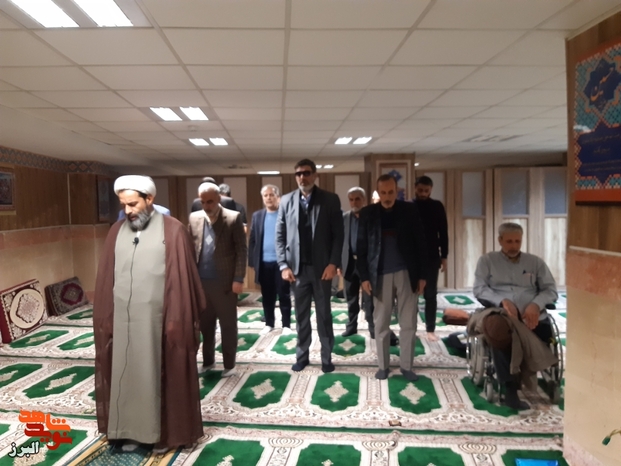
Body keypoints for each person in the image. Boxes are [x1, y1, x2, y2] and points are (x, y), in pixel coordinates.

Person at [93, 175, 204, 450]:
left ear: (150, 199)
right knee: (125, 375)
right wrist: (107, 317)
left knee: (158, 377)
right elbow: (107, 278)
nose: (128, 210)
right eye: (123, 205)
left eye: (133, 204)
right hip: (124, 321)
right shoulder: (116, 231)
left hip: (159, 321)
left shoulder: (173, 230)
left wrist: (176, 320)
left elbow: (183, 281)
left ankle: (162, 435)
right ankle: (127, 430)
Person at [473, 222, 558, 410]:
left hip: (532, 316)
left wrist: (536, 304)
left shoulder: (535, 262)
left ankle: (538, 372)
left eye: (517, 241)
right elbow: (479, 289)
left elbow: (550, 290)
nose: (514, 246)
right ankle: (510, 388)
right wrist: (502, 301)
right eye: (509, 241)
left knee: (543, 330)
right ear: (500, 240)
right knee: (499, 333)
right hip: (501, 314)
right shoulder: (487, 261)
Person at [276, 159, 344, 373]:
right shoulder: (286, 201)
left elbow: (338, 236)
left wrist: (333, 263)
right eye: (298, 174)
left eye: (306, 173)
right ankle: (302, 355)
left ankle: (326, 357)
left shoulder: (330, 200)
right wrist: (283, 265)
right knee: (301, 316)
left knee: (324, 315)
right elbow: (280, 236)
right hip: (297, 271)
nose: (302, 177)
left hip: (322, 270)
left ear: (315, 175)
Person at [357, 174, 427, 380]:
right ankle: (383, 366)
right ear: (378, 192)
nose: (387, 197)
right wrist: (364, 277)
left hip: (407, 273)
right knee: (381, 323)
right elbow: (361, 248)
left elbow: (421, 243)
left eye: (391, 192)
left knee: (408, 322)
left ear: (397, 191)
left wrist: (423, 275)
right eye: (383, 193)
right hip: (379, 275)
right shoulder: (368, 213)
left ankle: (407, 366)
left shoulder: (409, 210)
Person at [189, 182, 247, 378]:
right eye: (203, 202)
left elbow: (241, 250)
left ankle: (229, 365)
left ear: (219, 199)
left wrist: (238, 278)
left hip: (225, 284)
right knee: (205, 325)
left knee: (227, 325)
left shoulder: (233, 218)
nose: (207, 206)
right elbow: (191, 249)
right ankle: (208, 361)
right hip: (201, 283)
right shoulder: (194, 218)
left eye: (210, 202)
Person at [248, 184, 293, 336]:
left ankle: (286, 325)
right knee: (267, 295)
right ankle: (269, 323)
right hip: (263, 263)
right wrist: (252, 261)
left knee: (284, 294)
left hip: (282, 263)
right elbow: (253, 240)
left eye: (271, 195)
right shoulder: (257, 216)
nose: (268, 198)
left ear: (278, 197)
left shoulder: (285, 214)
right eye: (265, 195)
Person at [412, 176, 448, 342]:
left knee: (431, 294)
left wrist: (444, 256)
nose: (423, 193)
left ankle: (430, 329)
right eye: (420, 190)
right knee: (411, 295)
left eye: (426, 191)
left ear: (431, 190)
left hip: (432, 256)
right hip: (412, 257)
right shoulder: (409, 206)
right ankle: (411, 328)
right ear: (415, 188)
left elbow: (443, 232)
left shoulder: (437, 206)